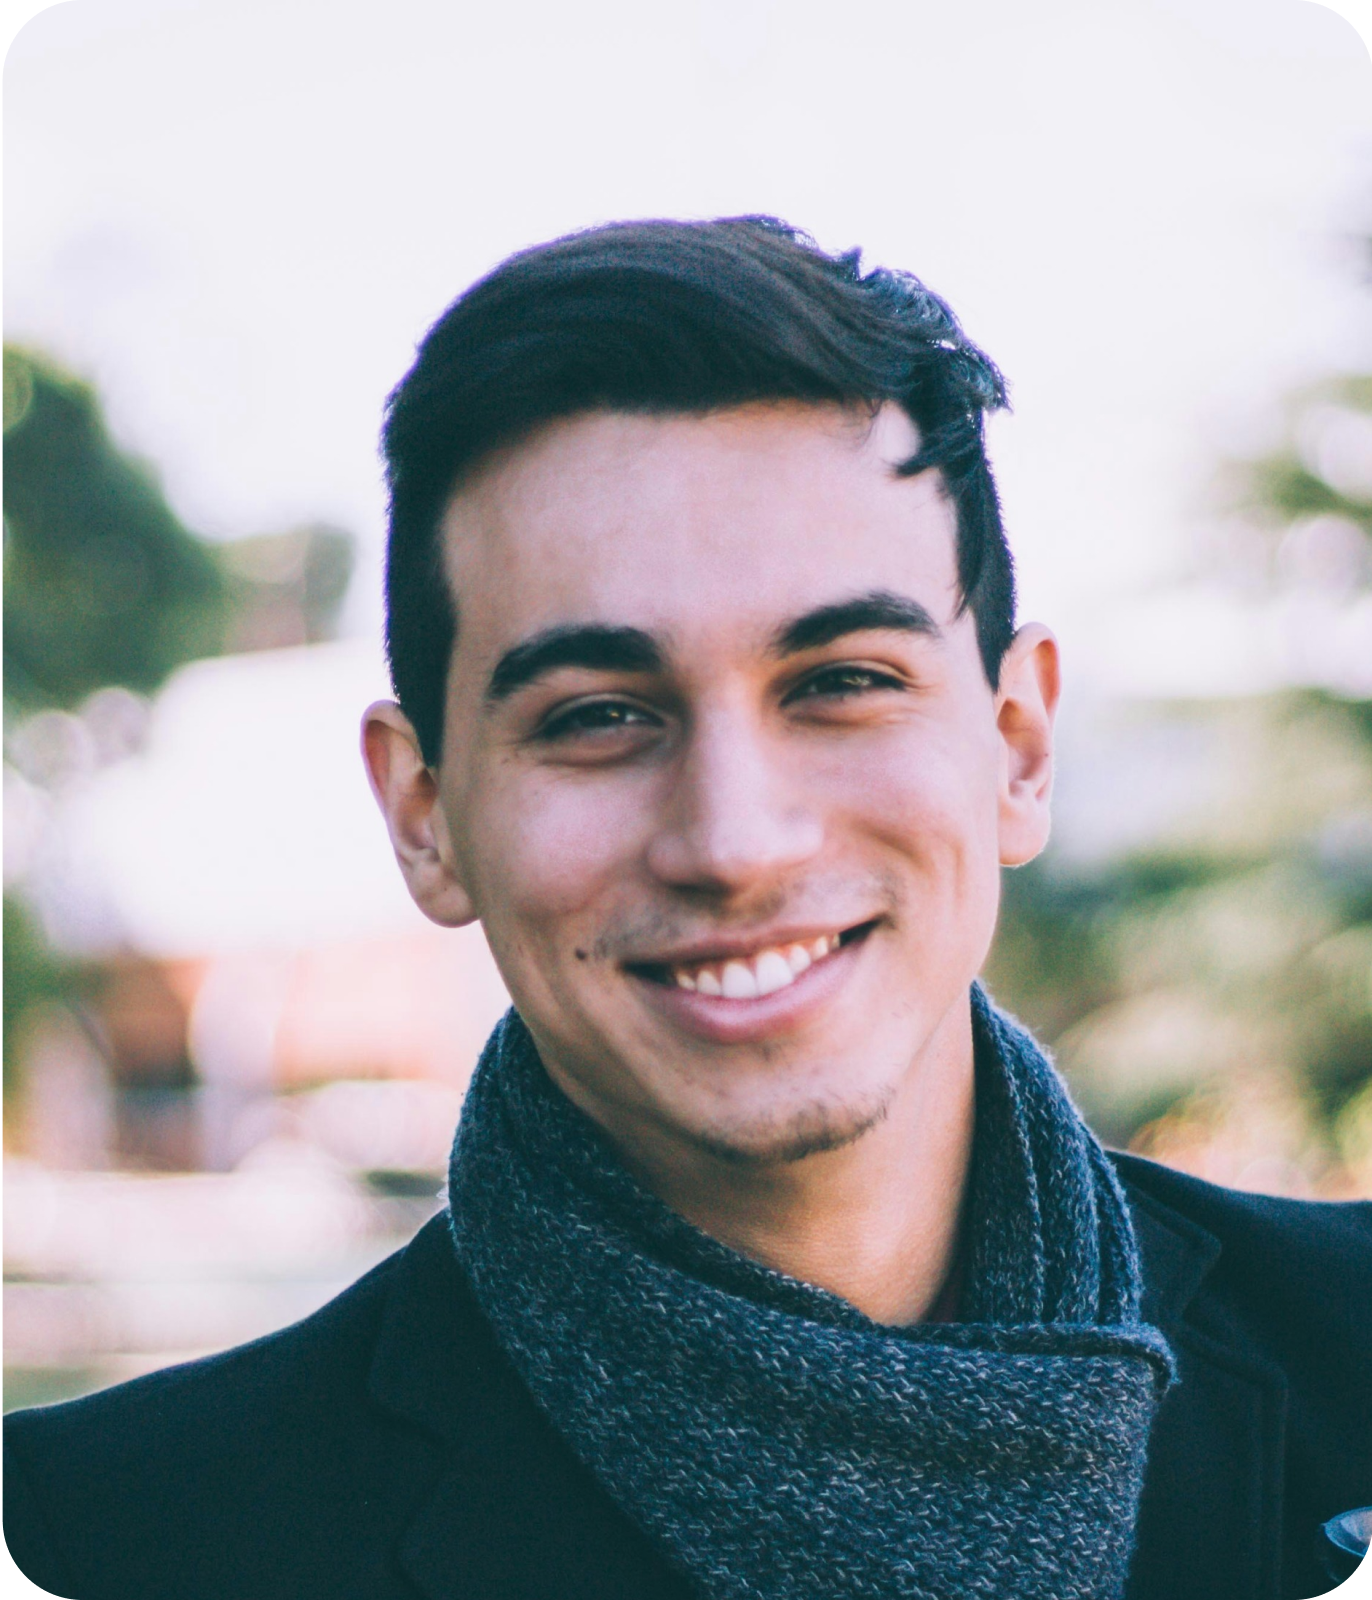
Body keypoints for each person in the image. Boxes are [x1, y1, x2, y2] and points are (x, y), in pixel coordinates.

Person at [4, 218, 1368, 1600]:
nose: (733, 842)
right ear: (425, 815)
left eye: (842, 682)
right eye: (597, 715)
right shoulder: (110, 1540)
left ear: (1018, 748)